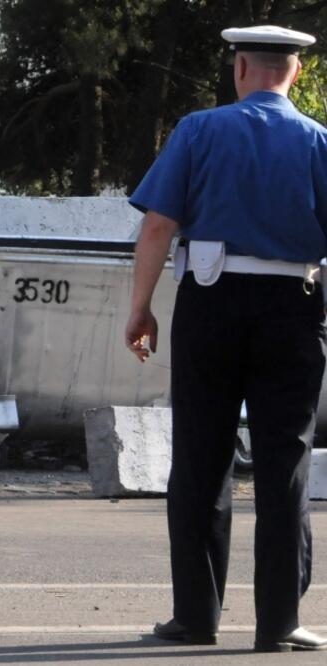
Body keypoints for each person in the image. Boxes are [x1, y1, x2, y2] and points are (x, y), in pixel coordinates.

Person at [124, 25, 327, 653]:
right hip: (294, 307)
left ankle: (195, 617)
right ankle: (278, 623)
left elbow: (160, 224)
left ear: (239, 67)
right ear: (294, 74)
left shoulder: (198, 129)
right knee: (284, 461)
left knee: (201, 458)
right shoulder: (321, 141)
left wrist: (141, 310)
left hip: (211, 301)